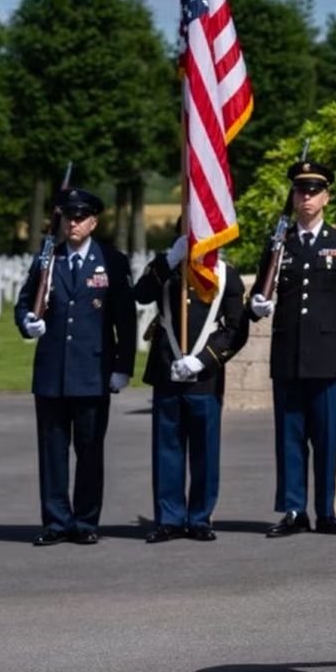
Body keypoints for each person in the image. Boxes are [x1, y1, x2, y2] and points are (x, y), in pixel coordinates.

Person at [247, 159, 336, 538]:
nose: (307, 198)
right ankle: (294, 510)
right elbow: (261, 290)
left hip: (328, 354)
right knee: (289, 435)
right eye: (301, 191)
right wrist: (257, 304)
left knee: (327, 436)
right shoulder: (278, 241)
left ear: (326, 197)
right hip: (287, 354)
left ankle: (326, 511)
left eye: (314, 191)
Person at [15, 188, 137, 546]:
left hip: (93, 373)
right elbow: (24, 303)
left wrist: (122, 367)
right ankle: (55, 521)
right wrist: (28, 323)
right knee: (52, 452)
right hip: (52, 373)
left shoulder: (112, 261)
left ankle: (85, 521)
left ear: (94, 222)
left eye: (81, 217)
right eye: (68, 216)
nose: (73, 222)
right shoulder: (47, 259)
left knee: (89, 451)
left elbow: (124, 320)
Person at [132, 226, 248, 544]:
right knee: (167, 448)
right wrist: (170, 259)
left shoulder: (226, 275)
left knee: (204, 451)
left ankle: (199, 517)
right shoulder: (165, 267)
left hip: (204, 376)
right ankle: (169, 518)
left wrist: (204, 360)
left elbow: (237, 330)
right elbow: (141, 295)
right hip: (167, 368)